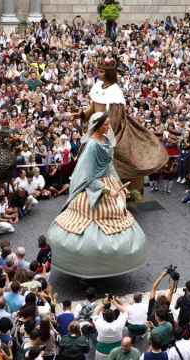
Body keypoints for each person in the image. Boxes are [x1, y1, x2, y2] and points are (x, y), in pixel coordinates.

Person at [46, 112, 147, 278]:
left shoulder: (106, 140)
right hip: (95, 186)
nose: (108, 127)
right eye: (105, 124)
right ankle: (87, 265)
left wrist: (119, 185)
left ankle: (114, 262)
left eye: (108, 124)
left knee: (118, 211)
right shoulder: (92, 146)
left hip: (109, 181)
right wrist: (107, 190)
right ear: (97, 125)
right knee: (88, 215)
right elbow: (87, 175)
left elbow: (110, 166)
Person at [76, 56, 168, 194]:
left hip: (109, 130)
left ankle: (120, 192)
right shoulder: (97, 86)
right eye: (99, 71)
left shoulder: (115, 92)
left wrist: (102, 134)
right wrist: (82, 115)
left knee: (116, 159)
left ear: (109, 73)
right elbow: (92, 107)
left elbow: (114, 118)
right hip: (96, 128)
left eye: (101, 71)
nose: (98, 73)